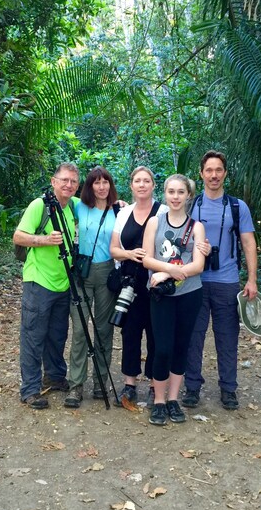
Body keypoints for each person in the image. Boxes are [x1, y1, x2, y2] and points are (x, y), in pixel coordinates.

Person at [183, 150, 258, 411]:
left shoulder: (238, 207)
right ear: (201, 174)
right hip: (195, 279)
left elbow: (248, 242)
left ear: (225, 173)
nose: (213, 175)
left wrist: (251, 279)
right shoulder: (191, 205)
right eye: (209, 170)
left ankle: (228, 388)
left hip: (227, 281)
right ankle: (192, 387)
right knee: (194, 335)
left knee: (227, 336)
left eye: (218, 170)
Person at [12, 163, 79, 410]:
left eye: (73, 181)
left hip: (63, 282)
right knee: (33, 335)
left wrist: (120, 205)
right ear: (53, 181)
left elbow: (98, 205)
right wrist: (44, 240)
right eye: (64, 180)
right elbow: (18, 236)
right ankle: (30, 389)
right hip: (38, 281)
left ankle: (54, 375)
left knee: (57, 334)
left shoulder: (73, 206)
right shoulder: (39, 205)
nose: (68, 185)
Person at [142, 174, 205, 426]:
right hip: (162, 295)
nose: (176, 197)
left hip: (190, 293)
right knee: (163, 347)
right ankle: (158, 400)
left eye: (181, 192)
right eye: (171, 192)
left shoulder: (197, 227)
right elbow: (146, 258)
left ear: (188, 195)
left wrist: (168, 271)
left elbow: (199, 265)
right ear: (165, 194)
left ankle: (173, 399)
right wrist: (170, 269)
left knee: (181, 347)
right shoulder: (154, 223)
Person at [109, 167, 167, 406]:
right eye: (137, 181)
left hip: (156, 283)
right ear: (131, 185)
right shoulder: (124, 213)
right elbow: (113, 249)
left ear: (154, 185)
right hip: (130, 284)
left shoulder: (163, 212)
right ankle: (130, 383)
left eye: (146, 181)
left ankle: (155, 384)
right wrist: (128, 253)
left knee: (156, 333)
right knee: (130, 332)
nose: (142, 185)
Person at [64, 167, 119, 408]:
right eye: (96, 183)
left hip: (107, 272)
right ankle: (75, 385)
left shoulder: (119, 210)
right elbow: (60, 200)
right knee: (79, 330)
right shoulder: (78, 206)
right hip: (82, 273)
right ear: (89, 186)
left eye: (105, 182)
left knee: (104, 329)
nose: (101, 187)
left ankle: (100, 380)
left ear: (110, 185)